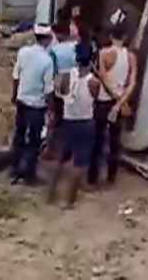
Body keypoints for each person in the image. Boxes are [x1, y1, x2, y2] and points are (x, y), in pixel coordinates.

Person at [48, 43, 100, 207]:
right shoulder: (94, 82)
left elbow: (60, 93)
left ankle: (51, 195)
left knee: (61, 159)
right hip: (85, 122)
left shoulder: (66, 76)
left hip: (68, 121)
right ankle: (69, 200)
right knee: (79, 163)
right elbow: (95, 100)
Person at [90, 22, 138, 186]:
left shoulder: (104, 53)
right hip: (119, 103)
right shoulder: (130, 57)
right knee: (115, 142)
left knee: (97, 139)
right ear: (125, 37)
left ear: (111, 36)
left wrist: (115, 99)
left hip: (103, 101)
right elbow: (132, 83)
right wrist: (120, 103)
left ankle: (93, 177)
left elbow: (103, 77)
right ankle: (111, 177)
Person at [10, 24, 55, 184]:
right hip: (36, 105)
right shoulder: (47, 61)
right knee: (34, 140)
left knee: (19, 136)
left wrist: (14, 95)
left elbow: (16, 76)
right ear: (48, 39)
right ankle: (29, 175)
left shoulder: (23, 52)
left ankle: (14, 169)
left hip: (21, 101)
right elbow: (48, 88)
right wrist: (52, 109)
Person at [45, 21, 79, 160]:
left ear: (57, 34)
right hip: (75, 82)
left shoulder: (54, 50)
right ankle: (70, 150)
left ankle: (51, 150)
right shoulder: (76, 47)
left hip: (59, 83)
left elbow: (51, 71)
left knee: (54, 117)